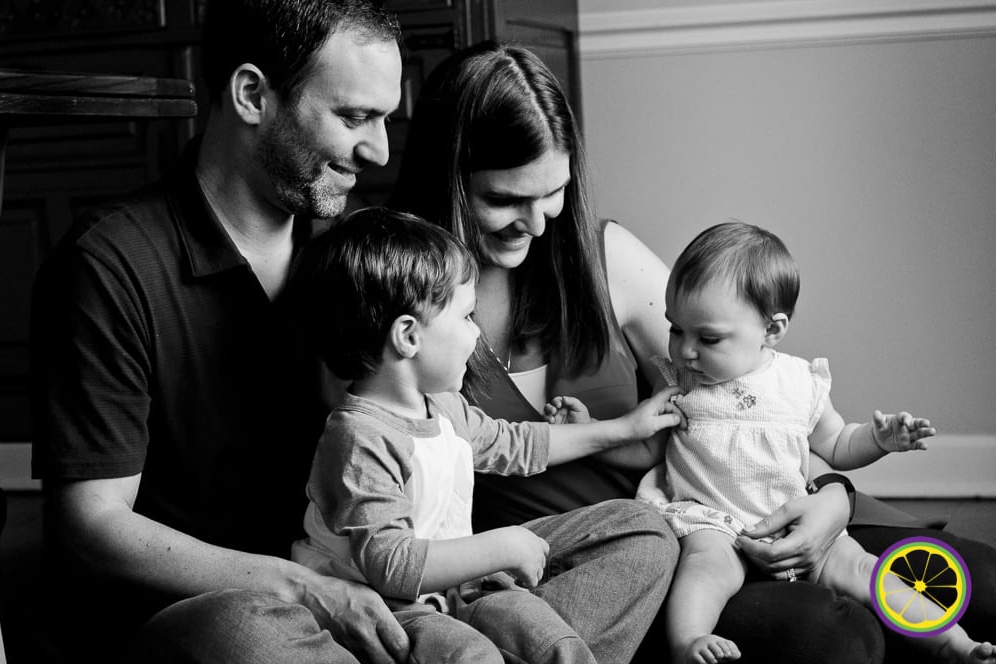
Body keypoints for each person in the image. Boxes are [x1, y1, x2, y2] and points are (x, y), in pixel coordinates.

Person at [388, 40, 996, 663]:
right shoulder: (403, 316)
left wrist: (831, 498)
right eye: (504, 200)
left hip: (775, 500)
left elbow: (751, 391)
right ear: (449, 181)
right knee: (838, 638)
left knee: (987, 585)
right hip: (668, 559)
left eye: (554, 192)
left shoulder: (600, 258)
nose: (539, 223)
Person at [29, 1, 413, 662]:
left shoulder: (355, 251)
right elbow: (91, 524)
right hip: (189, 620)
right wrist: (298, 587)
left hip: (346, 589)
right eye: (354, 116)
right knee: (250, 633)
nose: (377, 150)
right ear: (251, 95)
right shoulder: (109, 264)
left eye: (383, 118)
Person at [549, 221, 994, 664]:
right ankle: (689, 641)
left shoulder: (799, 382)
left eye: (707, 338)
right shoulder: (679, 384)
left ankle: (953, 644)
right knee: (703, 569)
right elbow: (648, 451)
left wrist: (878, 440)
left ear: (772, 329)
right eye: (675, 329)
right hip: (716, 523)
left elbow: (837, 444)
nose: (685, 350)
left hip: (797, 519)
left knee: (868, 570)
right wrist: (594, 430)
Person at [290, 207, 684, 663]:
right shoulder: (359, 438)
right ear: (408, 337)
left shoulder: (441, 405)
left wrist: (624, 428)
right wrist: (502, 547)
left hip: (465, 588)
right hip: (396, 607)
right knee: (473, 654)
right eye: (466, 317)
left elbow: (516, 444)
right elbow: (391, 566)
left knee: (643, 529)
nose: (477, 335)